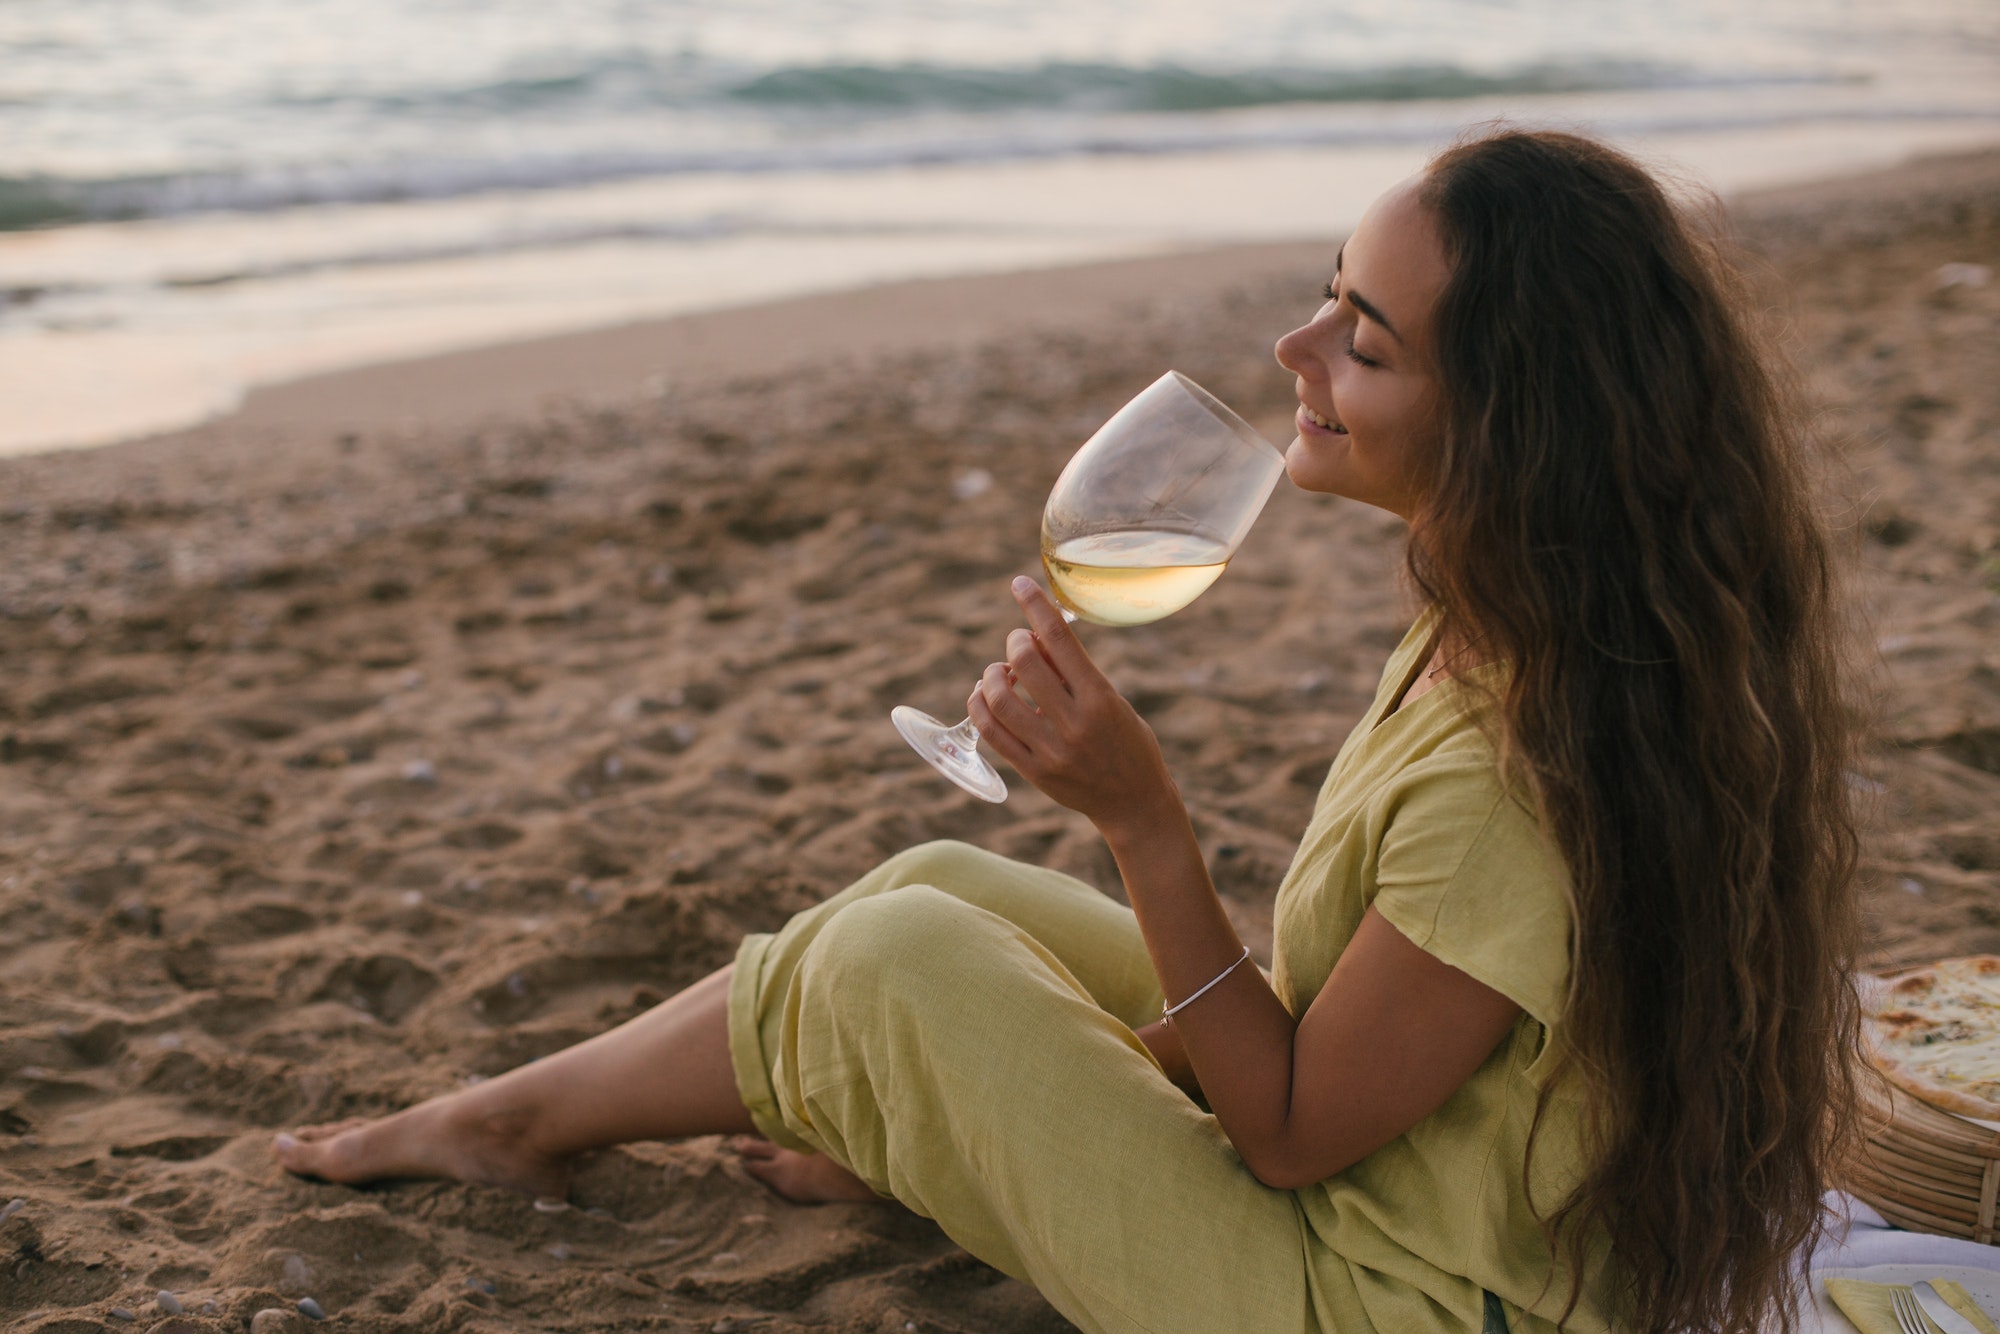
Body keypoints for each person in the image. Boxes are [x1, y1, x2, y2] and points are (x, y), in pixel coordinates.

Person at [272, 128, 1861, 1334]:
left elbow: (1296, 1129)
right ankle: (539, 1115)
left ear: (1512, 424)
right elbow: (1324, 1015)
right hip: (1393, 1179)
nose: (1299, 356)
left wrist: (1142, 820)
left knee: (902, 969)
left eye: (1364, 342)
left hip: (1382, 1295)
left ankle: (526, 1119)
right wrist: (967, 1100)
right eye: (1327, 299)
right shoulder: (1512, 628)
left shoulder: (1529, 770)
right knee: (936, 892)